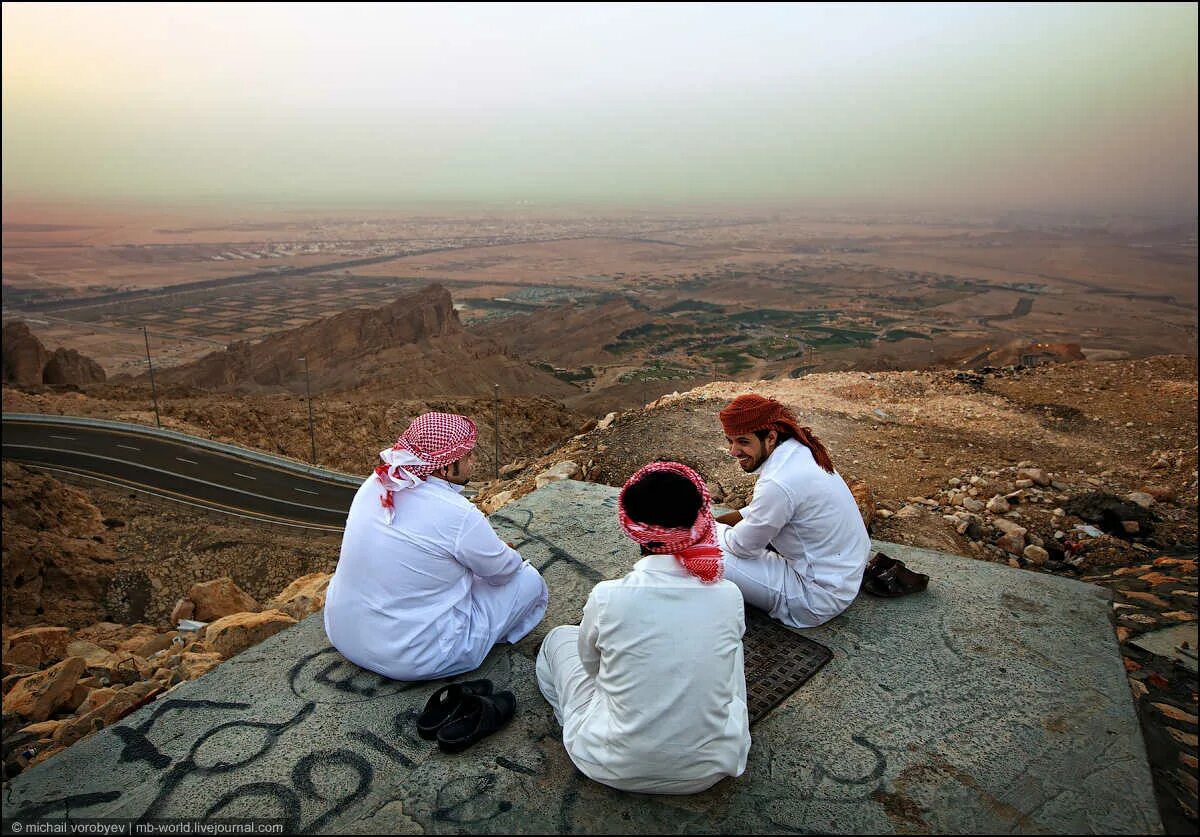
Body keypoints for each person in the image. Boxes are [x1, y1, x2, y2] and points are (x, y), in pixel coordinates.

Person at [536, 461, 750, 795]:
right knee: (731, 655)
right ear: (701, 521)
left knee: (558, 638)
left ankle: (574, 722)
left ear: (631, 527)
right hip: (709, 771)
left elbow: (591, 667)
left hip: (608, 765)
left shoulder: (607, 598)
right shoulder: (728, 595)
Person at [324, 412, 548, 681]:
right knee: (530, 580)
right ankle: (485, 641)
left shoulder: (376, 483)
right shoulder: (458, 513)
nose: (473, 461)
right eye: (467, 456)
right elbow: (505, 572)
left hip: (343, 633)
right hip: (413, 657)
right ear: (443, 468)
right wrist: (499, 553)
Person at [715, 394, 870, 629]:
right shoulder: (799, 450)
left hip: (814, 598)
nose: (733, 451)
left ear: (770, 437)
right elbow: (777, 507)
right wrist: (724, 522)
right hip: (844, 578)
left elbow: (742, 547)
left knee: (697, 551)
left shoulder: (778, 482)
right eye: (730, 441)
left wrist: (703, 526)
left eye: (743, 442)